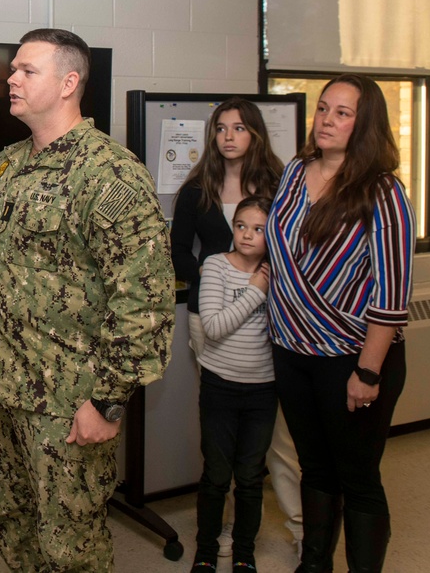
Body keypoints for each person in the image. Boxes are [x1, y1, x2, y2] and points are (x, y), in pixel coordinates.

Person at [0, 28, 175, 572]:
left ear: (68, 83)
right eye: (13, 69)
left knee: (72, 550)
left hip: (66, 405)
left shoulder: (110, 174)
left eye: (26, 71)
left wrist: (107, 402)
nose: (10, 79)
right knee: (12, 526)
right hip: (0, 390)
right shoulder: (8, 164)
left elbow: (146, 305)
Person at [266, 74, 414, 573]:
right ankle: (315, 565)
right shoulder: (294, 171)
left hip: (352, 359)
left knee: (358, 477)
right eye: (323, 108)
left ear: (365, 122)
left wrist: (368, 372)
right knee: (315, 469)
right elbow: (280, 253)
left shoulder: (382, 192)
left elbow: (391, 296)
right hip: (291, 352)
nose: (326, 119)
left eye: (342, 112)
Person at [170, 98, 303, 559]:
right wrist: (220, 278)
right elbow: (178, 251)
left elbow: (294, 247)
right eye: (221, 128)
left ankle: (300, 526)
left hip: (270, 316)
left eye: (239, 128)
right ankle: (223, 529)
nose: (229, 136)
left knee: (277, 438)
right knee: (221, 435)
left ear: (255, 134)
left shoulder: (280, 184)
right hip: (210, 319)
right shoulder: (197, 189)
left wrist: (256, 284)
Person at [190, 196, 276, 573]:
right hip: (220, 388)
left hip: (263, 390)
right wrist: (256, 290)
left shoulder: (278, 272)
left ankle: (244, 554)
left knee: (251, 479)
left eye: (258, 229)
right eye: (241, 225)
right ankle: (206, 552)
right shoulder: (216, 266)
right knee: (216, 477)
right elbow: (214, 326)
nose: (247, 234)